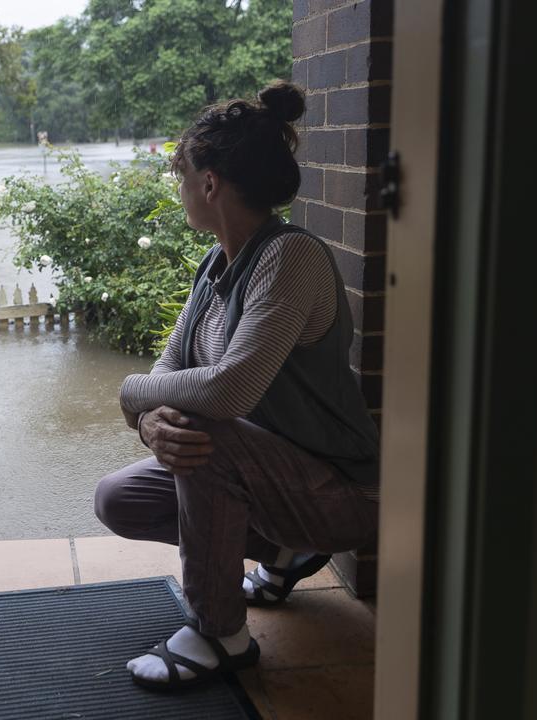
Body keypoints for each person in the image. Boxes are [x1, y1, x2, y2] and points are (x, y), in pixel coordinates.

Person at [94, 80, 381, 691]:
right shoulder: (215, 267)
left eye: (182, 178)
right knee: (119, 499)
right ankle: (285, 553)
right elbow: (169, 371)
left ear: (209, 183)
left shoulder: (290, 257)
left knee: (206, 433)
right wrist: (148, 419)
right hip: (269, 474)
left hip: (344, 491)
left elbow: (226, 393)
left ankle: (220, 631)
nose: (178, 192)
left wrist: (131, 394)